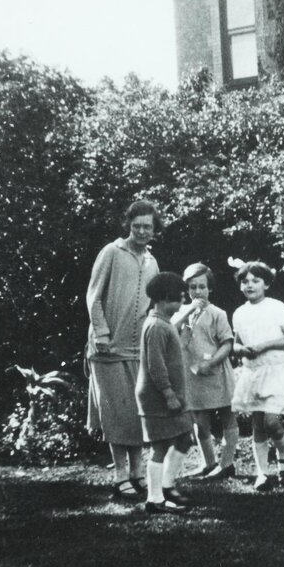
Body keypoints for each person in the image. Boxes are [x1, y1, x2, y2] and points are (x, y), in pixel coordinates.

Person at [86, 200, 161, 500]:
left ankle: (137, 473)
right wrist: (101, 333)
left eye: (148, 227)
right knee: (116, 411)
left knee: (137, 412)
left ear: (155, 230)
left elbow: (153, 304)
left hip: (137, 348)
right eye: (137, 225)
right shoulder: (111, 252)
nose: (142, 231)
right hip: (107, 347)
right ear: (128, 225)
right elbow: (93, 297)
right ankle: (120, 476)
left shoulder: (152, 262)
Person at [230, 260, 284, 491]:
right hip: (254, 372)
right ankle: (262, 473)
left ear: (266, 284)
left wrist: (265, 345)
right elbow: (235, 344)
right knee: (257, 425)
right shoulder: (239, 313)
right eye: (245, 281)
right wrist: (241, 350)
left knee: (271, 421)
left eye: (256, 281)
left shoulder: (277, 308)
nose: (250, 285)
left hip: (277, 371)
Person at [172, 262, 239, 480]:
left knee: (228, 418)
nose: (198, 291)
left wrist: (211, 363)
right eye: (193, 287)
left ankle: (227, 464)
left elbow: (227, 344)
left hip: (217, 373)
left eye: (202, 286)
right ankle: (209, 463)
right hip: (193, 376)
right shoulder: (181, 311)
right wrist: (190, 309)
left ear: (210, 288)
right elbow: (171, 331)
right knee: (199, 423)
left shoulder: (218, 313)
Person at [137, 271, 194, 514]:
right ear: (163, 299)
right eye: (178, 299)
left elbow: (170, 354)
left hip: (170, 395)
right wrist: (168, 393)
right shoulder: (157, 326)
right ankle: (154, 499)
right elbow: (156, 364)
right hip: (158, 397)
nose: (182, 303)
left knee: (184, 438)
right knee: (160, 447)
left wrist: (183, 340)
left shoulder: (164, 323)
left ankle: (167, 486)